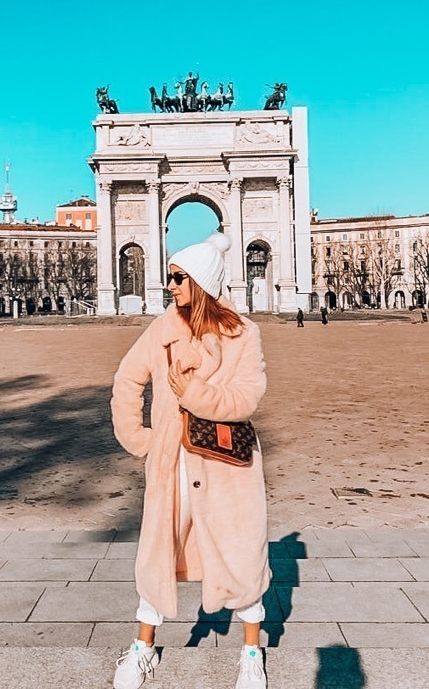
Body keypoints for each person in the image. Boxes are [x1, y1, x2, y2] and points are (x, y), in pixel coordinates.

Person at [111, 233, 270, 689]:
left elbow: (246, 398)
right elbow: (126, 377)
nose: (170, 286)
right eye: (169, 277)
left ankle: (251, 652)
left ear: (200, 282)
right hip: (171, 459)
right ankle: (143, 646)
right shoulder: (160, 330)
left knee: (242, 550)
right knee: (158, 549)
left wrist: (194, 394)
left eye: (178, 278)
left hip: (225, 463)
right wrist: (136, 436)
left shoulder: (243, 334)